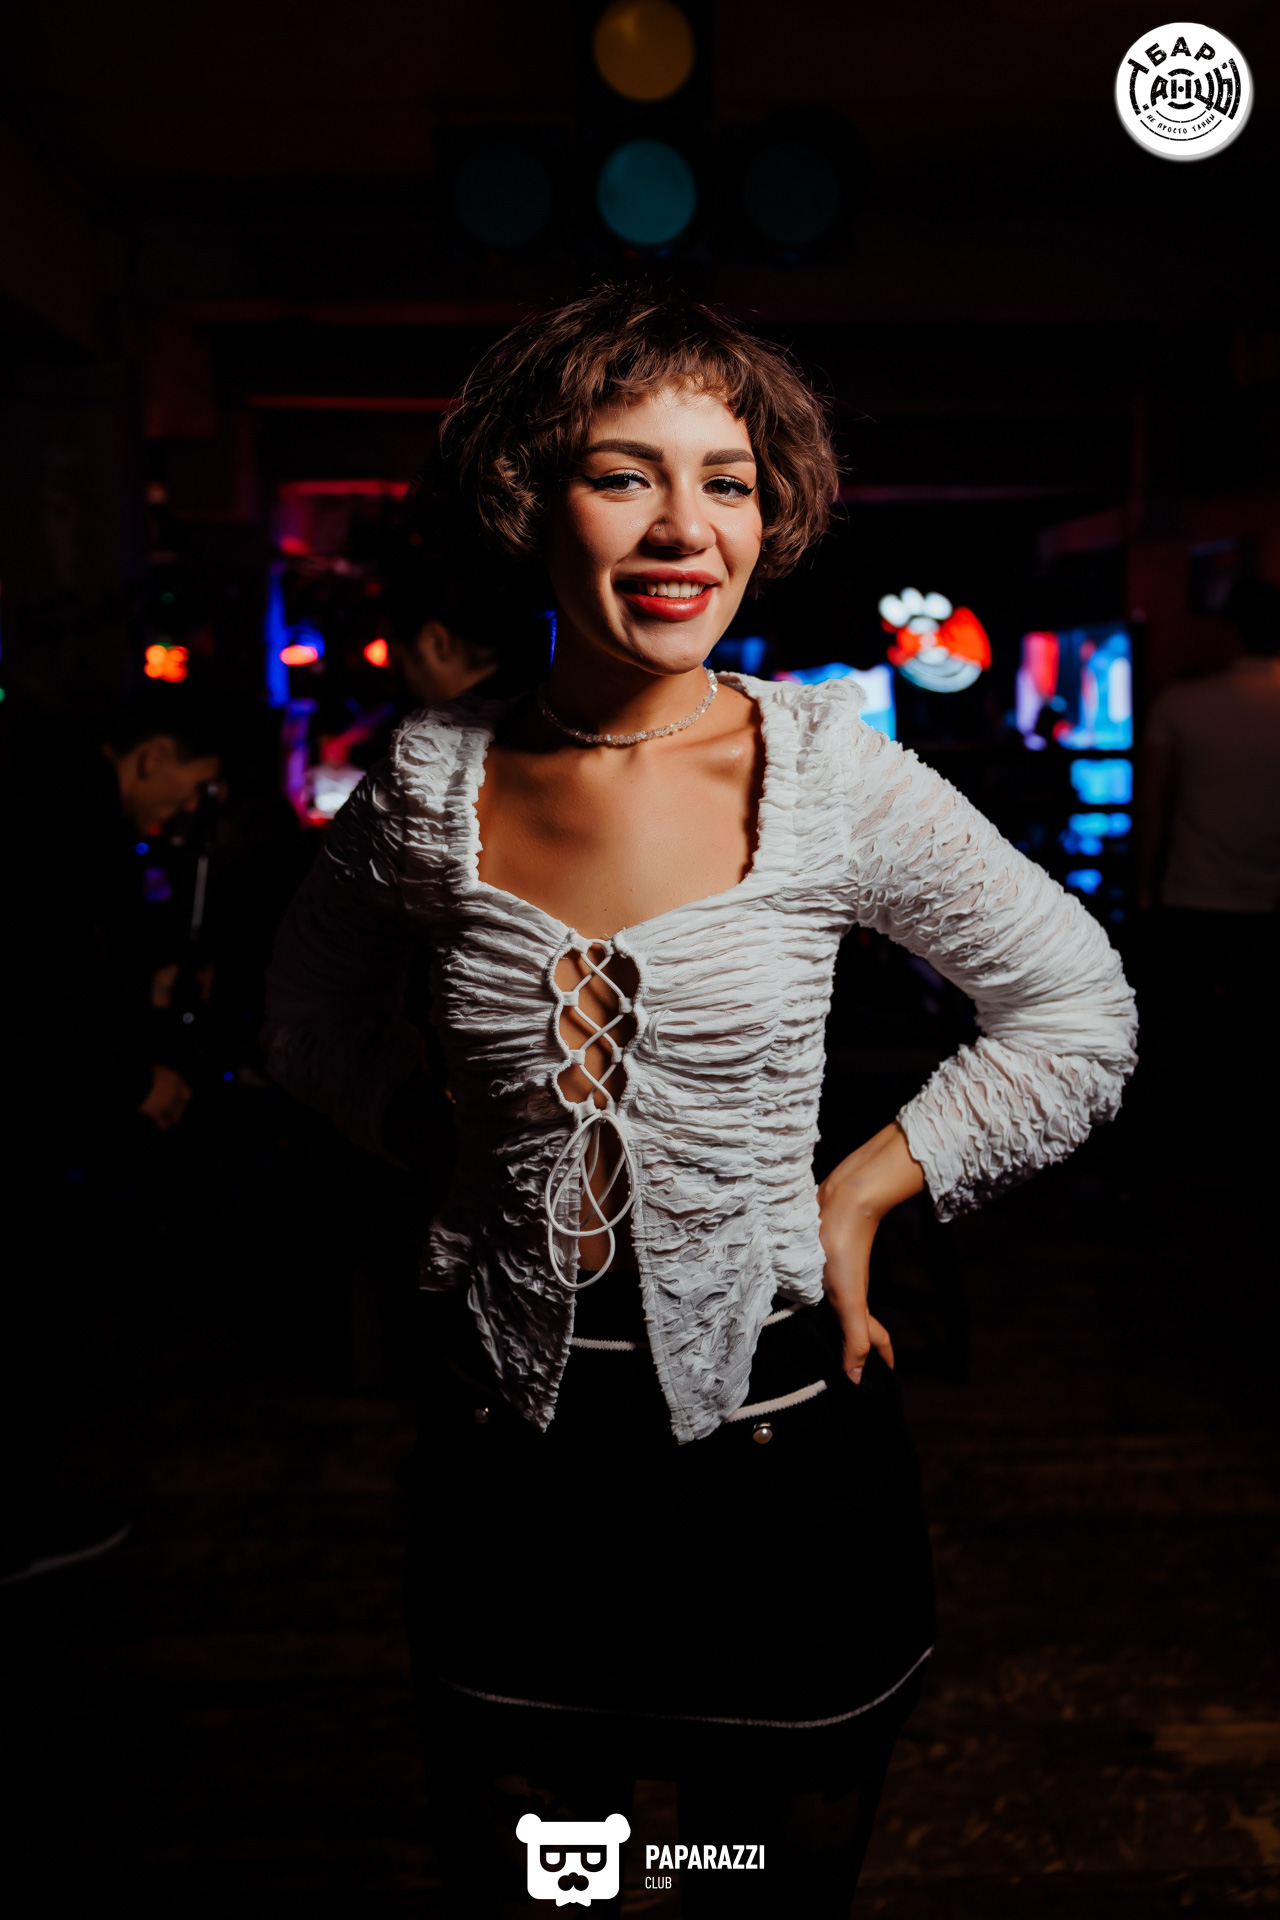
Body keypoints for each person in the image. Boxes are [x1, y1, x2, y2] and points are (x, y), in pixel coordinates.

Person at [265, 287, 1136, 1917]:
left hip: (780, 1465)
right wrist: (431, 1142)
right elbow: (306, 1015)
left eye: (726, 480)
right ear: (529, 497)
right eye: (625, 474)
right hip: (509, 1474)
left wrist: (864, 1192)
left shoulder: (831, 775)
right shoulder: (432, 782)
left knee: (748, 1873)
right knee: (556, 1880)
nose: (686, 527)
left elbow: (1078, 1010)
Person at [0, 686, 223, 1584]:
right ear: (151, 756)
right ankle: (18, 1524)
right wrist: (135, 1081)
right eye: (189, 786)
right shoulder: (72, 818)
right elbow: (39, 989)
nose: (183, 808)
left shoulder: (36, 784)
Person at [1133, 576, 1280, 1192]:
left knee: (1183, 1038)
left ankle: (1175, 1170)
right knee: (1263, 1038)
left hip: (1192, 893)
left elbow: (1151, 806)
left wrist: (1143, 887)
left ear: (1230, 630)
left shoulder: (1183, 703)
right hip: (1271, 903)